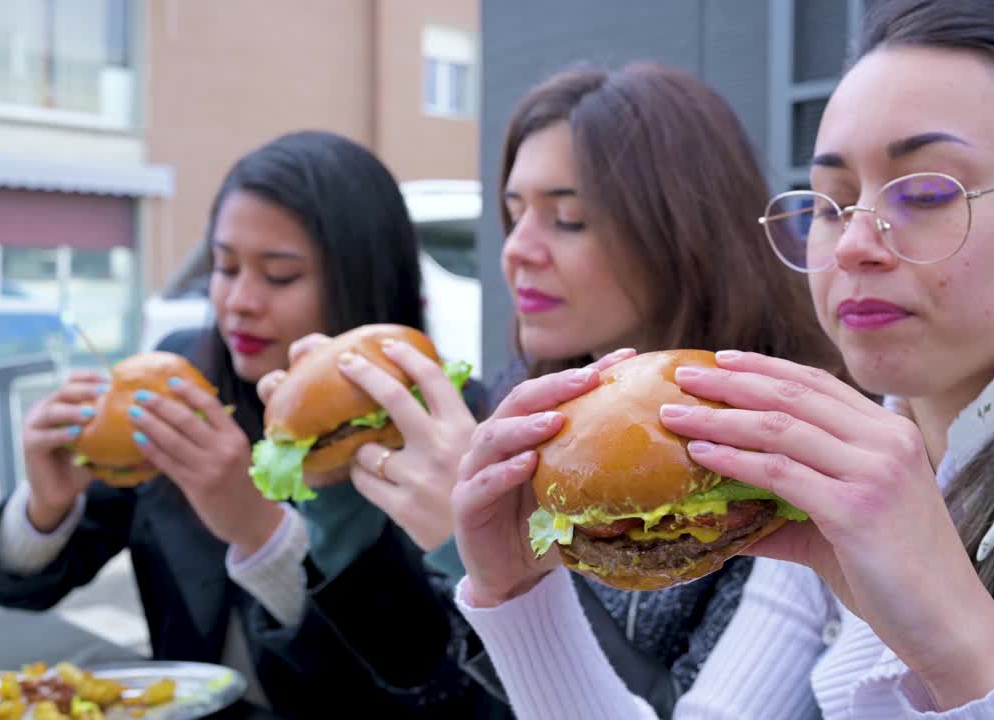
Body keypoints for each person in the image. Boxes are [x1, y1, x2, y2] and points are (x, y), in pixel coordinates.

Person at [448, 1, 994, 718]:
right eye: (829, 200)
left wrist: (958, 647)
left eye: (926, 191)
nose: (851, 244)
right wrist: (519, 596)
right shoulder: (834, 461)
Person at [259, 62, 841, 716]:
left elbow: (675, 704)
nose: (519, 250)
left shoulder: (772, 446)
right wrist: (348, 501)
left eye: (568, 219)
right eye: (514, 214)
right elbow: (426, 683)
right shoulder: (518, 412)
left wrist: (485, 561)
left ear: (683, 231)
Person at [0, 130, 488, 718]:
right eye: (224, 266)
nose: (238, 300)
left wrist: (262, 533)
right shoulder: (176, 381)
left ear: (362, 278)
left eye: (280, 275)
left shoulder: (445, 425)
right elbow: (26, 587)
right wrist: (46, 508)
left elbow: (433, 679)